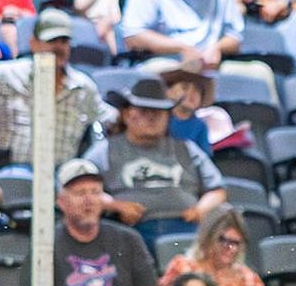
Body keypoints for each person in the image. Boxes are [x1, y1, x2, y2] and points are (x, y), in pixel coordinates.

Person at [87, 76, 228, 252]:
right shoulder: (104, 151)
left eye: (159, 112)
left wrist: (200, 209)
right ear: (126, 115)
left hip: (186, 230)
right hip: (129, 233)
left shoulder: (187, 149)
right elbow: (81, 190)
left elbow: (217, 190)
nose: (152, 117)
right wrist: (115, 205)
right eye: (144, 111)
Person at [49, 158, 163, 286]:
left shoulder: (129, 238)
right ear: (61, 202)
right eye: (80, 193)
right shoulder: (46, 243)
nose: (89, 200)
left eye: (95, 192)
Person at [0, 10, 105, 168]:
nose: (58, 47)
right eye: (51, 40)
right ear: (34, 43)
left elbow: (107, 119)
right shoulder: (3, 75)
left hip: (60, 176)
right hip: (9, 170)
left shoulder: (83, 86)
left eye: (64, 41)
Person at [159, 205, 270, 286]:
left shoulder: (249, 278)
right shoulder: (183, 268)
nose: (230, 249)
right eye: (223, 240)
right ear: (207, 238)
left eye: (236, 243)